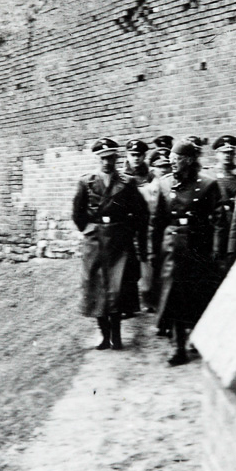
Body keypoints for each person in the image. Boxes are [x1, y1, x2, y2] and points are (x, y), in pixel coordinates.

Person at [150, 139, 226, 366]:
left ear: (190, 160)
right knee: (173, 295)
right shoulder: (164, 184)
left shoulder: (208, 184)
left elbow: (220, 221)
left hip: (199, 247)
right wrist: (153, 252)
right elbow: (157, 221)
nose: (173, 164)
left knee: (198, 294)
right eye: (171, 160)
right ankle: (177, 345)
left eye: (178, 160)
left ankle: (198, 338)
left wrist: (217, 251)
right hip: (173, 249)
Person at [72, 138, 148, 350]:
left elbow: (141, 212)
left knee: (117, 289)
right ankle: (104, 336)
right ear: (98, 159)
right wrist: (87, 230)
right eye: (103, 158)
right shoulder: (86, 182)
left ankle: (117, 335)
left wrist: (128, 230)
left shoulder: (127, 182)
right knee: (97, 289)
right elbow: (77, 213)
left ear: (117, 158)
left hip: (118, 241)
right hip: (95, 243)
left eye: (111, 158)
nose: (107, 162)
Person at [124, 138, 159, 313]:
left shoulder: (151, 175)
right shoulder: (122, 175)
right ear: (127, 155)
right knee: (128, 263)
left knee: (147, 258)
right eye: (132, 155)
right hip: (128, 224)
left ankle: (149, 298)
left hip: (146, 222)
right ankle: (128, 304)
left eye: (139, 155)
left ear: (144, 156)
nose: (136, 159)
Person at [209, 134, 236, 261]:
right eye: (223, 152)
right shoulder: (208, 174)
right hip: (216, 223)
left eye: (230, 152)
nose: (227, 155)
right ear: (216, 154)